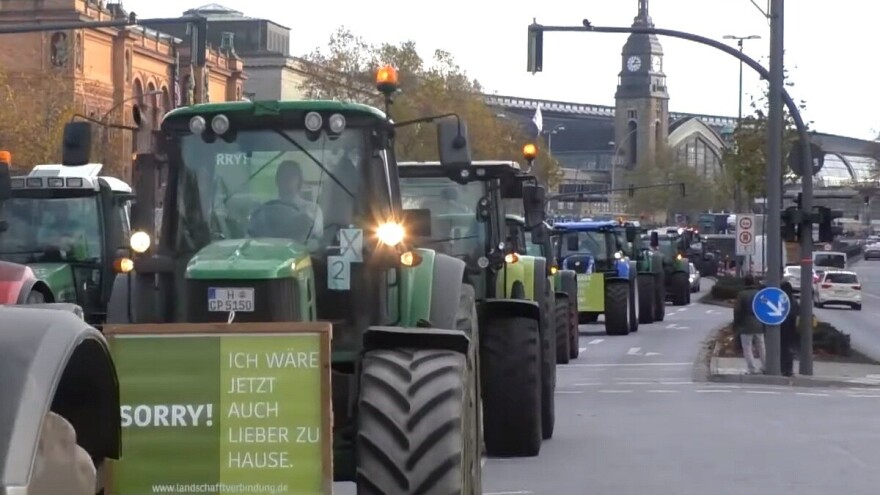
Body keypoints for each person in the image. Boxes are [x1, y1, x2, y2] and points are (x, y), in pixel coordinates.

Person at [252, 160, 324, 243]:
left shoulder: (312, 210)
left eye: (291, 175)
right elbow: (253, 236)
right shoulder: (264, 211)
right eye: (283, 175)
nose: (287, 178)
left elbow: (317, 237)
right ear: (277, 180)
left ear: (299, 180)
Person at [733, 274, 767, 374]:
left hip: (746, 325)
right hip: (758, 323)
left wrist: (736, 324)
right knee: (761, 346)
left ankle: (752, 368)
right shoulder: (758, 293)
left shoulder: (742, 294)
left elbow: (738, 311)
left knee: (747, 347)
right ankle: (765, 366)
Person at [780, 280, 800, 377]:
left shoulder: (781, 299)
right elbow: (796, 314)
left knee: (783, 349)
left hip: (782, 328)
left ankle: (783, 368)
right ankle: (788, 369)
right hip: (791, 329)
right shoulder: (793, 300)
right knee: (788, 349)